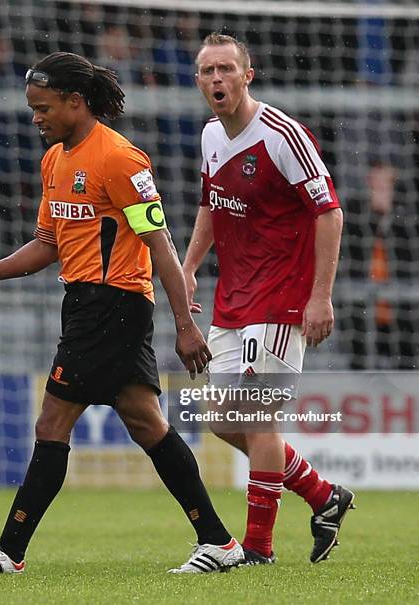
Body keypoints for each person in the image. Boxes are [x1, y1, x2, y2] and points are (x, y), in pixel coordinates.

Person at [0, 51, 243, 575]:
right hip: (83, 302)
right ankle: (218, 542)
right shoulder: (55, 159)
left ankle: (10, 551)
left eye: (43, 108)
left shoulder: (120, 160)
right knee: (146, 423)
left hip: (114, 303)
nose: (36, 118)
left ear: (75, 102)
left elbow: (160, 244)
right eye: (32, 108)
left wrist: (187, 322)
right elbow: (48, 243)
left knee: (52, 421)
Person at [182, 34, 354, 565]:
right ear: (198, 80)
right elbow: (212, 204)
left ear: (246, 76)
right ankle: (324, 496)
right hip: (232, 299)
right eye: (208, 71)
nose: (217, 79)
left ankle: (258, 548)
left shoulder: (282, 135)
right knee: (221, 418)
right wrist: (188, 268)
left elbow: (329, 213)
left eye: (227, 69)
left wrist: (319, 297)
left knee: (257, 419)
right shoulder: (212, 135)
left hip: (281, 298)